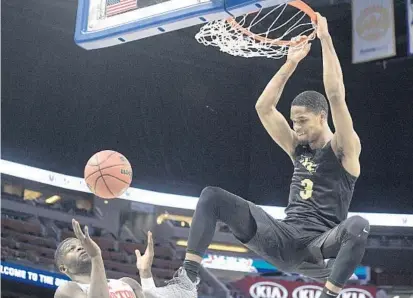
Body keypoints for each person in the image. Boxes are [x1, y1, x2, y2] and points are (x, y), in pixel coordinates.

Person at [158, 13, 370, 298]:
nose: (296, 127)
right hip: (282, 239)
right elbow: (264, 108)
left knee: (359, 226)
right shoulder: (298, 147)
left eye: (303, 121)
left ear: (322, 117)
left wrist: (326, 40)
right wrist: (290, 62)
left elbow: (335, 95)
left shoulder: (344, 149)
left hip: (319, 250)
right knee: (212, 196)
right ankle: (186, 282)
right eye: (294, 121)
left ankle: (329, 295)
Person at [54, 219, 159, 298]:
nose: (80, 247)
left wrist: (146, 275)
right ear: (63, 268)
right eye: (71, 249)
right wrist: (96, 256)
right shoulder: (67, 290)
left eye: (81, 245)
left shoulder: (127, 283)